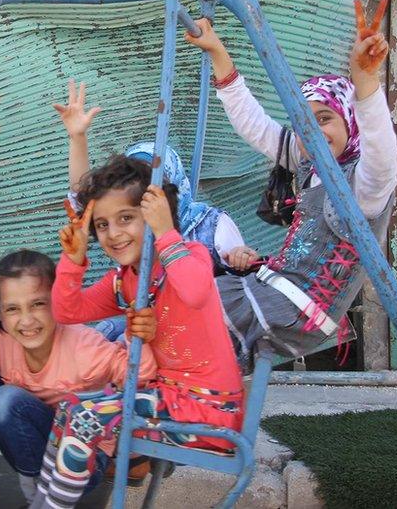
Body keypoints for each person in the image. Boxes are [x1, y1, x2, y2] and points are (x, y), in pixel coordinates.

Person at [184, 0, 397, 361]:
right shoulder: (308, 163)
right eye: (302, 122)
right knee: (181, 300)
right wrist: (218, 52)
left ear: (351, 123)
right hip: (272, 290)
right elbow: (253, 123)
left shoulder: (364, 187)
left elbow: (382, 154)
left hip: (296, 311)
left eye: (325, 118)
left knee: (183, 317)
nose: (312, 131)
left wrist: (365, 81)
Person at [32, 156, 244, 508]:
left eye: (126, 218)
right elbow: (66, 311)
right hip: (162, 400)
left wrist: (165, 233)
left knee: (86, 416)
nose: (113, 234)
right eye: (102, 225)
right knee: (70, 408)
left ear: (155, 213)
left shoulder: (190, 255)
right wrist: (72, 260)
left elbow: (193, 292)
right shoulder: (126, 279)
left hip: (207, 408)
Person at [0, 250, 158, 508]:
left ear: (58, 301)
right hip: (36, 450)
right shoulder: (2, 339)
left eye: (38, 304)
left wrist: (137, 337)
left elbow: (140, 376)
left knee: (5, 400)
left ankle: (39, 500)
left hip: (80, 463)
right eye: (12, 309)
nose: (26, 320)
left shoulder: (84, 347)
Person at [55, 81, 252, 275]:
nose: (113, 233)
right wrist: (77, 137)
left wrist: (240, 259)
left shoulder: (212, 226)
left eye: (154, 180)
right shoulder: (129, 231)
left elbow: (239, 276)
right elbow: (84, 202)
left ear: (173, 185)